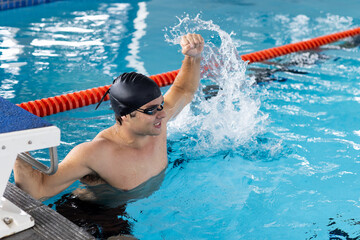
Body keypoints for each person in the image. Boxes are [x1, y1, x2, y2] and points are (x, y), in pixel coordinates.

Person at [13, 33, 204, 203]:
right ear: (126, 115)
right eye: (151, 110)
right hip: (97, 215)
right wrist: (15, 141)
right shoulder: (94, 153)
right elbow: (38, 190)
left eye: (161, 105)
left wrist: (192, 57)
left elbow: (183, 89)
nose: (162, 113)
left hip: (132, 205)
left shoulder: (157, 122)